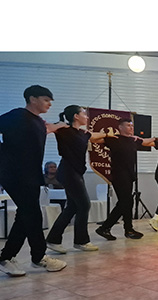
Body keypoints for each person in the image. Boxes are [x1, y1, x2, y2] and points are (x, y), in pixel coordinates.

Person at [0, 85, 68, 277]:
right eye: (46, 100)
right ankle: (39, 257)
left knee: (25, 215)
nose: (49, 104)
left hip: (30, 174)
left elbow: (46, 129)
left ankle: (6, 257)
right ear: (32, 99)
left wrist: (60, 126)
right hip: (15, 174)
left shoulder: (37, 121)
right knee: (33, 215)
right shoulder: (17, 115)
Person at [45, 105, 106, 254]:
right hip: (68, 171)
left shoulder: (83, 133)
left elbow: (94, 136)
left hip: (76, 172)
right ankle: (81, 241)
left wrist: (109, 135)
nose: (87, 116)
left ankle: (53, 239)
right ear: (76, 116)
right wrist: (59, 125)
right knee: (84, 205)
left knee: (72, 206)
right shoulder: (64, 130)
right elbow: (47, 128)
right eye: (84, 114)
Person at [95, 118, 155, 241]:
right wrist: (106, 135)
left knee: (125, 203)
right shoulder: (114, 139)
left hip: (129, 176)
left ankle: (110, 228)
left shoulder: (133, 140)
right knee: (125, 202)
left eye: (132, 126)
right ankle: (124, 229)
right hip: (119, 176)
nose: (131, 128)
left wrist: (155, 138)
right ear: (120, 127)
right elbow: (93, 139)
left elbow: (145, 141)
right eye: (128, 125)